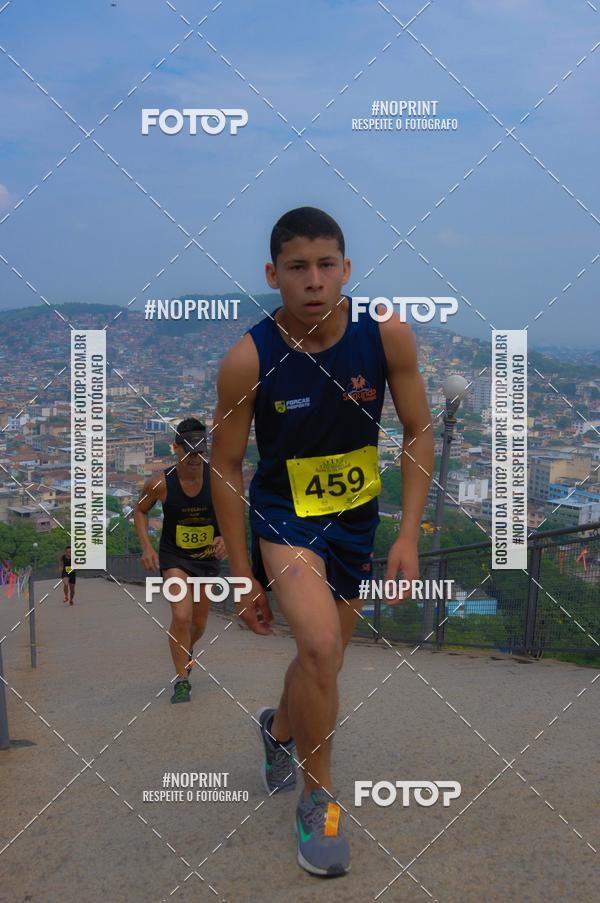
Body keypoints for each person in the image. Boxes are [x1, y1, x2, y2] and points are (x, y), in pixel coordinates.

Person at [211, 207, 434, 876]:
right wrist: (245, 570)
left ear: (346, 268)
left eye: (326, 264)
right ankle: (319, 800)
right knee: (318, 644)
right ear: (273, 274)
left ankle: (279, 727)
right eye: (299, 268)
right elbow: (225, 463)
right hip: (285, 518)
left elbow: (420, 431)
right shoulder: (249, 357)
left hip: (355, 521)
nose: (314, 280)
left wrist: (407, 533)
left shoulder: (387, 336)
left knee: (323, 663)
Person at [134, 418, 227, 704]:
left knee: (198, 625)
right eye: (189, 452)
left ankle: (185, 649)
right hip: (174, 556)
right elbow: (140, 512)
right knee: (182, 617)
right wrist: (147, 547)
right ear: (175, 448)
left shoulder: (218, 480)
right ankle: (182, 681)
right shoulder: (160, 483)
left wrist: (223, 536)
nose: (195, 458)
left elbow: (231, 512)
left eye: (200, 452)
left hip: (206, 559)